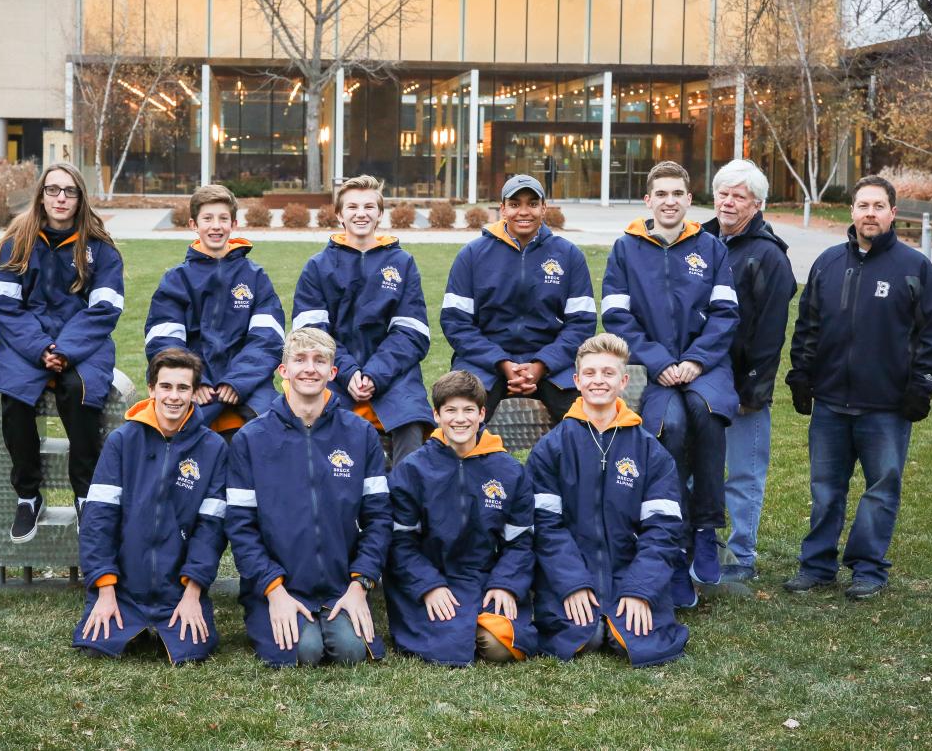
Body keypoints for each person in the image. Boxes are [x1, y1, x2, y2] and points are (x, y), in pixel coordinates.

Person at [784, 175, 932, 600]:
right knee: (825, 489)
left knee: (881, 489)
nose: (870, 214)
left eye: (879, 206)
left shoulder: (914, 268)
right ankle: (817, 565)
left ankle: (867, 568)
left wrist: (923, 386)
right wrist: (801, 374)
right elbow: (808, 326)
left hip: (887, 406)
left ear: (893, 213)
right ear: (852, 212)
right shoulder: (827, 263)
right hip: (830, 403)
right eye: (863, 206)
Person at [601, 160, 739, 605]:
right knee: (671, 427)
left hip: (706, 365)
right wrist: (660, 361)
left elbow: (725, 314)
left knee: (707, 413)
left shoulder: (711, 248)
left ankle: (705, 528)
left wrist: (697, 361)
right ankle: (675, 544)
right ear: (648, 200)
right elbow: (618, 316)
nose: (669, 201)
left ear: (688, 199)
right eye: (660, 194)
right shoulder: (626, 248)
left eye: (677, 193)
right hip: (655, 366)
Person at [0, 162, 124, 542]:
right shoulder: (15, 242)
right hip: (27, 342)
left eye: (69, 191)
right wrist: (40, 349)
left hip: (83, 344)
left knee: (79, 390)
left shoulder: (100, 249)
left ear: (81, 198)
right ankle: (27, 496)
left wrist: (65, 351)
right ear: (41, 195)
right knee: (15, 393)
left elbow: (104, 309)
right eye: (53, 190)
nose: (61, 198)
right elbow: (4, 305)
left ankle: (86, 494)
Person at [225, 328, 391, 667]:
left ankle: (340, 608)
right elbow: (240, 527)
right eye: (299, 360)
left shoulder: (360, 435)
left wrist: (360, 585)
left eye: (320, 361)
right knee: (306, 651)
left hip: (340, 585)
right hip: (279, 584)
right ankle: (280, 607)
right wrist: (273, 590)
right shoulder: (251, 439)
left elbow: (379, 517)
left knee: (350, 652)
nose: (309, 369)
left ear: (333, 372)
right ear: (283, 371)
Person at [529, 333, 688, 666]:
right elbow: (545, 527)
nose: (598, 380)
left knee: (631, 639)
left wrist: (641, 589)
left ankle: (630, 597)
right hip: (572, 572)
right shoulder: (551, 448)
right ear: (576, 380)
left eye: (608, 373)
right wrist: (571, 583)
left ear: (623, 381)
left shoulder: (650, 452)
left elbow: (663, 531)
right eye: (589, 373)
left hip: (628, 572)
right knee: (584, 638)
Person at [74, 348, 229, 664]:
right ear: (152, 389)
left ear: (194, 393)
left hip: (178, 592)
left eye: (183, 388)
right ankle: (122, 612)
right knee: (96, 647)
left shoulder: (213, 448)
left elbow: (211, 530)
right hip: (124, 589)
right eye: (166, 386)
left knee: (193, 653)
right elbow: (98, 520)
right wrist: (105, 590)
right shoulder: (122, 441)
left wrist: (193, 593)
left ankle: (179, 610)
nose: (174, 396)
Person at [385, 370, 537, 666]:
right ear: (436, 415)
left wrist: (505, 583)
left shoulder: (508, 471)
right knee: (451, 646)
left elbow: (521, 542)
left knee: (500, 645)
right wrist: (428, 586)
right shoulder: (412, 469)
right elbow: (400, 542)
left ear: (482, 414)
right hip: (434, 575)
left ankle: (481, 617)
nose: (460, 419)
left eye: (469, 410)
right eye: (450, 410)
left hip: (484, 577)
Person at [292, 174, 433, 466]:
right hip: (332, 372)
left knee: (410, 423)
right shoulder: (318, 267)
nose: (361, 213)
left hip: (393, 374)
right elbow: (311, 335)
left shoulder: (402, 263)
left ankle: (406, 506)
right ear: (339, 215)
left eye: (369, 207)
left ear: (380, 214)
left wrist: (374, 374)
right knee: (321, 426)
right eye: (352, 207)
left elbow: (412, 332)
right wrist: (348, 372)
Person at [702, 159, 796, 583]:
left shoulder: (769, 256)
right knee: (698, 470)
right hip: (701, 381)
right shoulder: (699, 240)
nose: (728, 201)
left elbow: (769, 334)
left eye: (739, 196)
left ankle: (741, 556)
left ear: (756, 204)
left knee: (743, 475)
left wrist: (751, 393)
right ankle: (699, 548)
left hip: (743, 387)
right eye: (723, 193)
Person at [441, 173, 595, 424]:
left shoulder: (568, 255)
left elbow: (582, 323)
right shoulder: (472, 255)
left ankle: (564, 464)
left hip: (553, 363)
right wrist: (501, 362)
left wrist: (541, 364)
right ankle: (469, 465)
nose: (524, 211)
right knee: (460, 418)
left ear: (544, 208)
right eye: (515, 204)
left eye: (532, 204)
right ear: (502, 209)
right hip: (484, 361)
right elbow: (455, 322)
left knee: (585, 422)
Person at [144, 184, 285, 435]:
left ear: (234, 223)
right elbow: (163, 341)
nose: (216, 226)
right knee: (174, 433)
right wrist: (193, 379)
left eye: (223, 219)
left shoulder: (255, 277)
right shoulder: (177, 280)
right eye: (207, 219)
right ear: (193, 225)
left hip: (248, 380)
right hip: (195, 381)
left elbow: (268, 340)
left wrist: (238, 380)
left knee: (276, 429)